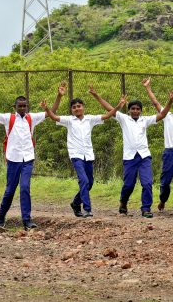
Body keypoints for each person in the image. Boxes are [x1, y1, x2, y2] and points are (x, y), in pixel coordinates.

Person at [0, 88, 60, 230]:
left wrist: (59, 95)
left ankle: (27, 220)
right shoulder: (8, 118)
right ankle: (1, 216)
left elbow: (50, 113)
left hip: (28, 159)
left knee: (25, 188)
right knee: (10, 190)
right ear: (15, 107)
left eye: (24, 105)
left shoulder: (31, 118)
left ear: (27, 107)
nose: (22, 108)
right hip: (13, 159)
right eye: (19, 106)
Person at [41, 83, 126, 218]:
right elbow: (53, 116)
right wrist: (53, 101)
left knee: (90, 183)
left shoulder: (90, 119)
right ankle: (87, 209)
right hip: (76, 155)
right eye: (74, 107)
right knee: (84, 181)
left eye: (79, 106)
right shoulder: (69, 120)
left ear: (83, 107)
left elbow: (108, 115)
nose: (77, 108)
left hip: (88, 154)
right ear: (71, 110)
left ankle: (75, 203)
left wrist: (118, 106)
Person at [91, 86, 173, 218]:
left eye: (137, 109)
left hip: (144, 156)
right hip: (129, 157)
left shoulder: (145, 120)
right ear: (129, 110)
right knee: (128, 184)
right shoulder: (124, 119)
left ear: (141, 111)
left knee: (147, 183)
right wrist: (96, 95)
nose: (135, 111)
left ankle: (146, 208)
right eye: (133, 109)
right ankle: (123, 202)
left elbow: (162, 114)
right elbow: (109, 108)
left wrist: (170, 101)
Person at [142, 78, 173, 214]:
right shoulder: (167, 116)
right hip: (170, 153)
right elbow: (155, 102)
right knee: (165, 182)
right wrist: (148, 87)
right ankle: (163, 200)